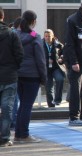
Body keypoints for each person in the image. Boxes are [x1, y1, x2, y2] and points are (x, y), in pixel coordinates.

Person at [14, 10, 47, 143]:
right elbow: (40, 59)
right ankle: (25, 135)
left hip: (17, 74)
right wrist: (44, 77)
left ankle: (17, 134)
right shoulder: (35, 37)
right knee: (27, 105)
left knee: (22, 105)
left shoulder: (15, 35)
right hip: (32, 75)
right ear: (34, 22)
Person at [0, 8, 23, 147]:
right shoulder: (12, 34)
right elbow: (20, 55)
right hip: (9, 76)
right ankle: (5, 137)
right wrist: (13, 68)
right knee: (7, 108)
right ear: (3, 16)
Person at [43, 29, 66, 108]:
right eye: (46, 36)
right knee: (49, 89)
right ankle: (51, 105)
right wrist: (46, 60)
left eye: (49, 36)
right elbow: (38, 57)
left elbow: (64, 53)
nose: (47, 38)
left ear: (52, 36)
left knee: (60, 79)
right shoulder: (40, 45)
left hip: (56, 67)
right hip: (46, 69)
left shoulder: (58, 44)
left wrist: (62, 59)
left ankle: (57, 99)